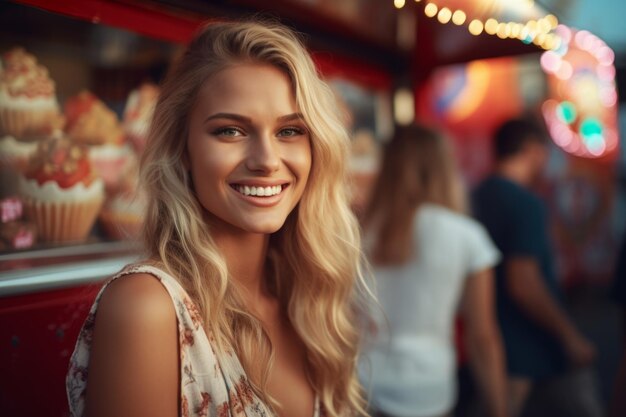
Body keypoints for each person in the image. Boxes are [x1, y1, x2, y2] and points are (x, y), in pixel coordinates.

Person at [66, 20, 369, 417]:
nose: (266, 160)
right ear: (183, 148)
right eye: (230, 131)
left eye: (290, 131)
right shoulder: (148, 308)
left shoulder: (308, 302)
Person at [359, 124, 508, 417]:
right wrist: (500, 408)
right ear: (443, 168)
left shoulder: (358, 233)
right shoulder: (467, 236)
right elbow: (482, 337)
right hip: (429, 387)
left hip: (362, 384)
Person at [472, 118, 598, 417]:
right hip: (528, 347)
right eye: (545, 149)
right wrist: (569, 334)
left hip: (491, 345)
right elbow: (523, 283)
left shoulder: (475, 195)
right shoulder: (526, 203)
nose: (547, 159)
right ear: (530, 149)